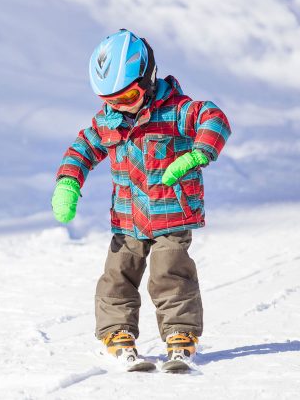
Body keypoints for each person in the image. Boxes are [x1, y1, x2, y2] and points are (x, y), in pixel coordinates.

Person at [51, 29, 231, 371]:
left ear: (147, 78)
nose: (120, 106)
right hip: (128, 216)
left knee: (170, 271)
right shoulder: (110, 120)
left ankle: (180, 333)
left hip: (172, 212)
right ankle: (116, 332)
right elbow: (82, 149)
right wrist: (67, 183)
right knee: (118, 273)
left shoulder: (176, 110)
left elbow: (214, 119)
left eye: (128, 95)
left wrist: (198, 154)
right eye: (110, 100)